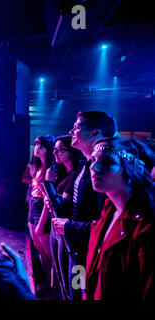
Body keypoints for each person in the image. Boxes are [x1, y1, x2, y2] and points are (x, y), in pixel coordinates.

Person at [52, 110, 116, 299]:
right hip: (78, 250)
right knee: (73, 293)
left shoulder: (103, 172)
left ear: (96, 134)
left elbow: (105, 225)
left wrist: (69, 226)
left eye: (77, 127)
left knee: (80, 295)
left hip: (89, 254)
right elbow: (83, 209)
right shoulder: (85, 166)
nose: (71, 132)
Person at [86, 137, 154, 300]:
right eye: (93, 160)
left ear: (133, 169)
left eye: (108, 162)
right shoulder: (108, 211)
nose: (94, 167)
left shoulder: (146, 225)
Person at [38, 135, 84, 299]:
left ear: (71, 152)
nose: (56, 152)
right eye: (55, 149)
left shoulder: (76, 176)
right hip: (56, 229)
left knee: (69, 281)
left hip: (66, 232)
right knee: (61, 276)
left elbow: (60, 207)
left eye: (60, 149)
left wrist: (48, 185)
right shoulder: (65, 173)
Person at [26, 135, 56, 296]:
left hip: (40, 208)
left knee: (48, 252)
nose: (36, 148)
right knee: (39, 250)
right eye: (36, 144)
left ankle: (53, 288)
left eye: (41, 146)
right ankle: (46, 282)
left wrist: (42, 221)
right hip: (33, 205)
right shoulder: (39, 166)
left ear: (48, 149)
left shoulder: (50, 169)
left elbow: (48, 199)